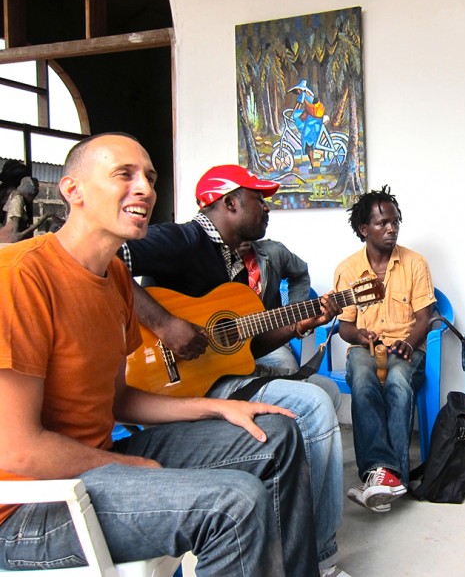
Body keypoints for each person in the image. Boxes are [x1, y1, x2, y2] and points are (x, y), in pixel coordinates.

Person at [0, 133, 317, 575]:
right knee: (235, 503)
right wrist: (129, 464)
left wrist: (217, 408)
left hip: (96, 464)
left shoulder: (112, 276)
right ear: (73, 191)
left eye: (149, 177)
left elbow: (119, 401)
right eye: (123, 175)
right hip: (28, 511)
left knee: (277, 433)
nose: (146, 189)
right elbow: (16, 450)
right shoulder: (19, 277)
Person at [120, 164, 348, 577]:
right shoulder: (183, 238)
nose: (267, 208)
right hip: (175, 385)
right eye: (259, 199)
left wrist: (302, 322)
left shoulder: (238, 269)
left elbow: (249, 344)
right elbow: (106, 259)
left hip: (223, 375)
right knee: (313, 403)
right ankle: (318, 558)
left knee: (327, 392)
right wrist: (165, 325)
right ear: (228, 202)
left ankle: (293, 535)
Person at [333, 185, 435, 512]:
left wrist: (410, 342)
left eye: (395, 222)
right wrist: (359, 336)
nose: (391, 229)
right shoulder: (347, 270)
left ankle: (392, 475)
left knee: (397, 382)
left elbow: (425, 316)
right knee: (362, 379)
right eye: (382, 224)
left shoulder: (414, 263)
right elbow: (345, 327)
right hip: (368, 347)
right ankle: (379, 472)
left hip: (407, 346)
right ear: (364, 229)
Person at [237, 238, 311, 377]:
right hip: (220, 351)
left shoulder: (272, 252)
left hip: (269, 338)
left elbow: (300, 274)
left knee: (290, 376)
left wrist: (293, 315)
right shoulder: (200, 256)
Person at [0, 176, 54, 243]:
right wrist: (44, 217)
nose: (32, 198)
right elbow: (15, 236)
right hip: (9, 242)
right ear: (28, 193)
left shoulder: (14, 195)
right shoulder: (18, 200)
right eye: (32, 195)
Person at [289, 79, 326, 168]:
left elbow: (298, 104)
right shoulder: (308, 95)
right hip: (314, 117)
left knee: (307, 139)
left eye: (297, 90)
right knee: (299, 120)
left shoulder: (303, 94)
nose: (297, 92)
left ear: (300, 89)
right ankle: (312, 161)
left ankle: (312, 164)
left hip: (314, 119)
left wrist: (292, 114)